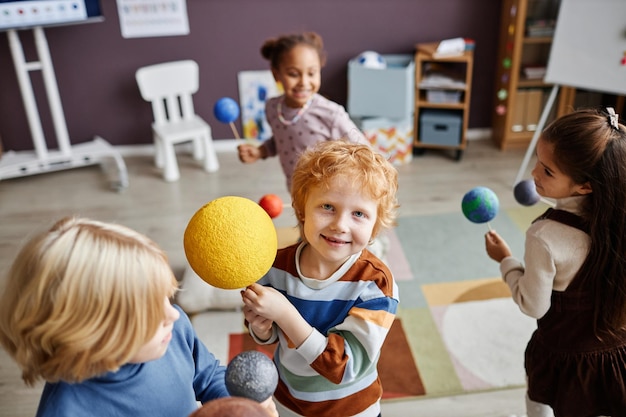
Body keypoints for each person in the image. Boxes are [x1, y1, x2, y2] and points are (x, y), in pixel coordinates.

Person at [0, 217, 276, 417]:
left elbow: (207, 375)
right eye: (153, 312)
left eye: (165, 299)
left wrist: (238, 407)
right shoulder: (67, 410)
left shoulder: (173, 331)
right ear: (97, 335)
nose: (174, 314)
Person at [484, 107, 626, 417]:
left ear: (585, 185)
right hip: (618, 352)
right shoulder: (620, 216)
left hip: (566, 357)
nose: (534, 173)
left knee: (543, 408)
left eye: (548, 171)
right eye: (537, 160)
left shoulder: (545, 236)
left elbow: (534, 305)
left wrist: (505, 260)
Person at [241, 140, 399, 417]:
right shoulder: (276, 265)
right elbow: (270, 335)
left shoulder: (375, 285)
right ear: (302, 209)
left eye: (359, 214)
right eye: (327, 206)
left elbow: (344, 366)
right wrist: (262, 326)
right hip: (288, 401)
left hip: (351, 410)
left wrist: (285, 313)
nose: (340, 225)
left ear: (375, 226)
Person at [237, 31, 368, 191]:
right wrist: (260, 151)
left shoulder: (331, 114)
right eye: (293, 74)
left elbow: (364, 150)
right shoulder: (273, 108)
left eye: (311, 73)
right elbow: (282, 139)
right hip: (296, 190)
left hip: (331, 192)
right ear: (275, 74)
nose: (304, 82)